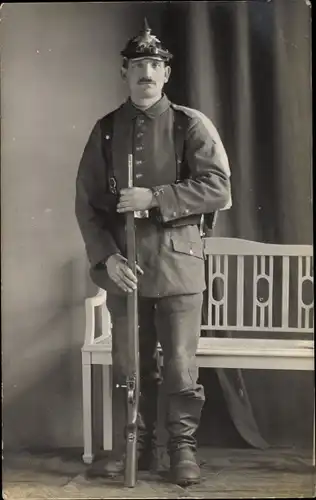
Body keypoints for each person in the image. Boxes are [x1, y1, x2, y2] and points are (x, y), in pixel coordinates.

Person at [75, 18, 232, 486]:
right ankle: (136, 444)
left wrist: (155, 197)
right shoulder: (105, 131)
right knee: (129, 364)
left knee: (182, 366)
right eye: (138, 64)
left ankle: (182, 448)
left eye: (155, 64)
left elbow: (218, 189)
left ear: (166, 74)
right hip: (126, 271)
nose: (147, 72)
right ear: (124, 72)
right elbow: (87, 205)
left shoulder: (190, 125)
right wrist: (106, 259)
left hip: (179, 267)